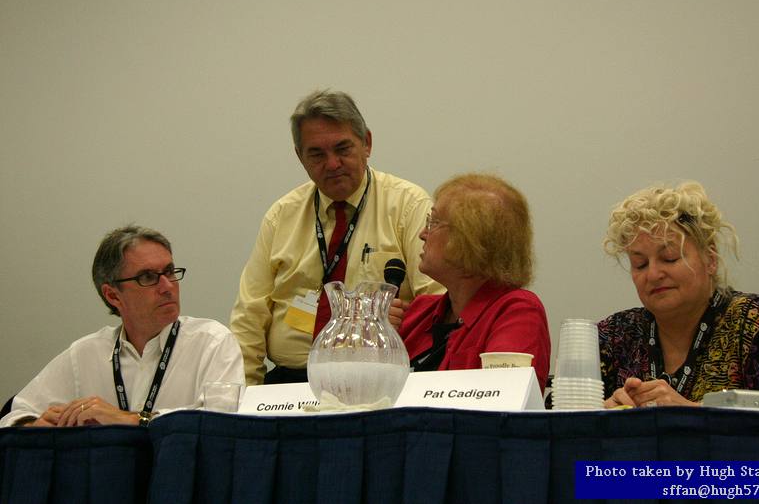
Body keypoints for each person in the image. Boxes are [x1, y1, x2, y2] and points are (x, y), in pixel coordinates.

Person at [231, 89, 442, 385]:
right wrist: (245, 394)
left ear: (367, 143)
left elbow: (439, 304)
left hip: (379, 376)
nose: (332, 164)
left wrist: (399, 324)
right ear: (300, 156)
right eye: (317, 154)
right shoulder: (281, 216)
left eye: (342, 149)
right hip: (290, 380)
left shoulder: (408, 206)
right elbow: (249, 316)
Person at [0, 225, 244, 428]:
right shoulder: (86, 354)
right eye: (148, 277)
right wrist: (35, 426)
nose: (167, 286)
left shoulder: (212, 342)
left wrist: (130, 419)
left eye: (169, 272)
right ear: (113, 295)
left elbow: (222, 425)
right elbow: (14, 414)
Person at [599, 182, 759, 408]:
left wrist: (693, 412)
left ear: (710, 259)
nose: (653, 274)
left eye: (670, 258)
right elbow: (568, 408)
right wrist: (600, 414)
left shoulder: (753, 320)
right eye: (640, 264)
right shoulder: (615, 335)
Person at [398, 174, 551, 393]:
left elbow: (499, 400)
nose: (423, 234)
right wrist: (378, 341)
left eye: (434, 222)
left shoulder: (517, 312)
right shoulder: (419, 312)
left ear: (470, 240)